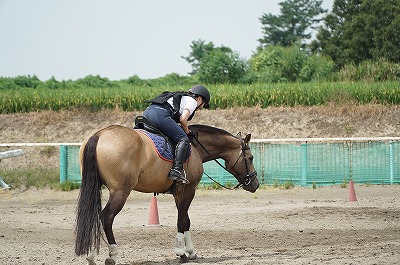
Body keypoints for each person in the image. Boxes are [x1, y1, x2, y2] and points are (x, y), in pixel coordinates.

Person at [143, 85, 210, 184]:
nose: (200, 108)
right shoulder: (192, 101)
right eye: (203, 104)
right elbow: (183, 120)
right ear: (199, 99)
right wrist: (187, 132)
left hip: (147, 113)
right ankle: (176, 170)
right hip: (160, 115)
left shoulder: (180, 97)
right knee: (183, 139)